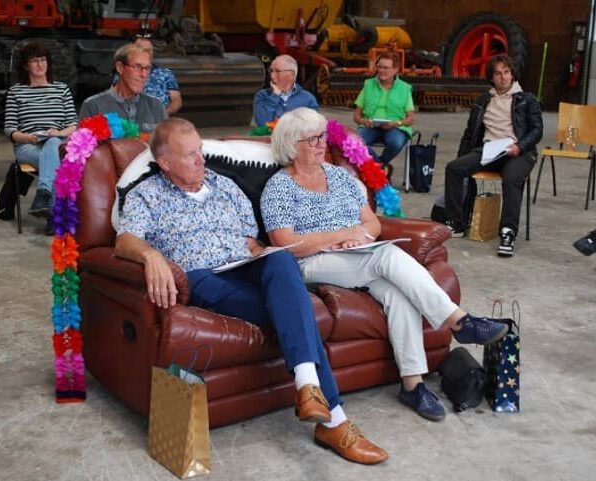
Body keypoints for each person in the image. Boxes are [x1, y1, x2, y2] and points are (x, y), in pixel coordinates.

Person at [115, 117, 388, 465]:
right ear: (165, 162)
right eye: (190, 155)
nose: (201, 159)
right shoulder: (146, 195)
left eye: (200, 150)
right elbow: (125, 240)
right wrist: (151, 255)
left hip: (244, 265)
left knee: (281, 260)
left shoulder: (225, 185)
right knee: (295, 314)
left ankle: (309, 388)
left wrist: (266, 260)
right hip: (203, 276)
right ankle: (333, 420)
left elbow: (250, 242)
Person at [260, 107, 509, 422]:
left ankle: (413, 384)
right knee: (386, 256)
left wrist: (360, 238)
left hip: (357, 257)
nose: (322, 144)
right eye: (312, 140)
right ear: (291, 146)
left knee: (396, 292)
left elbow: (373, 224)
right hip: (310, 262)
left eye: (322, 136)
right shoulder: (279, 187)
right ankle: (459, 321)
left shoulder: (339, 176)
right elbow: (285, 242)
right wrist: (343, 236)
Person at [443, 54, 543, 257]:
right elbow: (470, 133)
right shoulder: (483, 101)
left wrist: (519, 146)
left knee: (511, 178)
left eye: (506, 72)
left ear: (512, 74)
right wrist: (462, 157)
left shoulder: (527, 99)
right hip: (489, 151)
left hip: (519, 152)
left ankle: (507, 232)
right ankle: (456, 222)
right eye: (498, 73)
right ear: (491, 77)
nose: (503, 77)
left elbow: (537, 130)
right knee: (454, 168)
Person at [3, 41, 77, 234]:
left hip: (57, 142)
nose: (40, 64)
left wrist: (59, 133)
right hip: (28, 146)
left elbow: (73, 125)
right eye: (34, 61)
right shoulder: (16, 92)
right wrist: (27, 138)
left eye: (43, 59)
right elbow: (10, 129)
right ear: (26, 66)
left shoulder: (61, 89)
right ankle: (54, 215)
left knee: (52, 143)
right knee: (57, 163)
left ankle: (44, 197)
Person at [79, 43, 167, 132]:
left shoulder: (156, 106)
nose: (144, 74)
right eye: (137, 67)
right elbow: (83, 140)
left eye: (147, 68)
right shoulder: (93, 106)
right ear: (120, 68)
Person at [353, 51, 414, 172]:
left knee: (396, 142)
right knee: (355, 143)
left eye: (385, 68)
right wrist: (363, 121)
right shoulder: (368, 85)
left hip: (395, 127)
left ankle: (380, 165)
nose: (381, 70)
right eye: (379, 67)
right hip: (370, 126)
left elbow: (410, 119)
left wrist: (397, 123)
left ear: (395, 70)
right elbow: (356, 115)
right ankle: (381, 168)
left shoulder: (404, 88)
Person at [253, 54, 318, 127]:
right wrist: (274, 96)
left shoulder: (308, 99)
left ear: (292, 75)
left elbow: (312, 127)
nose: (272, 76)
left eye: (277, 71)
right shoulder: (262, 95)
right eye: (271, 71)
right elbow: (262, 124)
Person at [127, 36, 182, 115]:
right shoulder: (125, 73)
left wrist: (163, 114)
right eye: (144, 50)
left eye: (150, 50)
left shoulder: (166, 73)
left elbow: (176, 101)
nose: (149, 53)